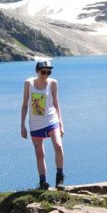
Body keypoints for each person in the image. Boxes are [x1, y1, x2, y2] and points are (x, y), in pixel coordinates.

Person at [20, 59, 65, 190]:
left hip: (51, 120)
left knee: (58, 146)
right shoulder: (29, 83)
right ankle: (43, 182)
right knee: (39, 153)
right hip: (35, 124)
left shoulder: (53, 83)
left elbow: (56, 103)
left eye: (48, 72)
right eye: (43, 72)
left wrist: (61, 123)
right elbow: (24, 105)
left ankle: (60, 178)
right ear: (37, 71)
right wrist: (22, 125)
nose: (46, 75)